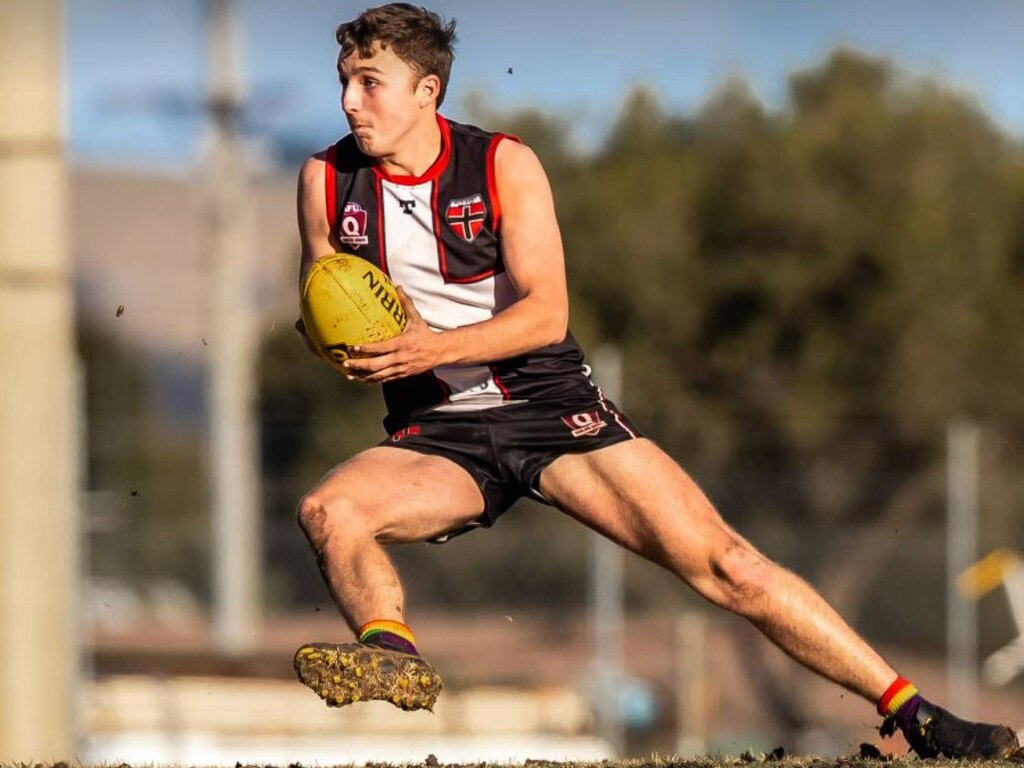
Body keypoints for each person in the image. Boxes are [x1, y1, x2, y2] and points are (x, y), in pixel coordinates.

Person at [291, 2, 1019, 758]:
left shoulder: (504, 164)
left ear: (427, 92)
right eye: (344, 80)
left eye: (370, 82)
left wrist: (427, 347)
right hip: (438, 433)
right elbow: (326, 307)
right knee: (329, 507)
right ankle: (393, 654)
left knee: (728, 567)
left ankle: (921, 719)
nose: (349, 100)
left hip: (547, 405)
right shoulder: (324, 180)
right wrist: (335, 346)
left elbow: (547, 314)